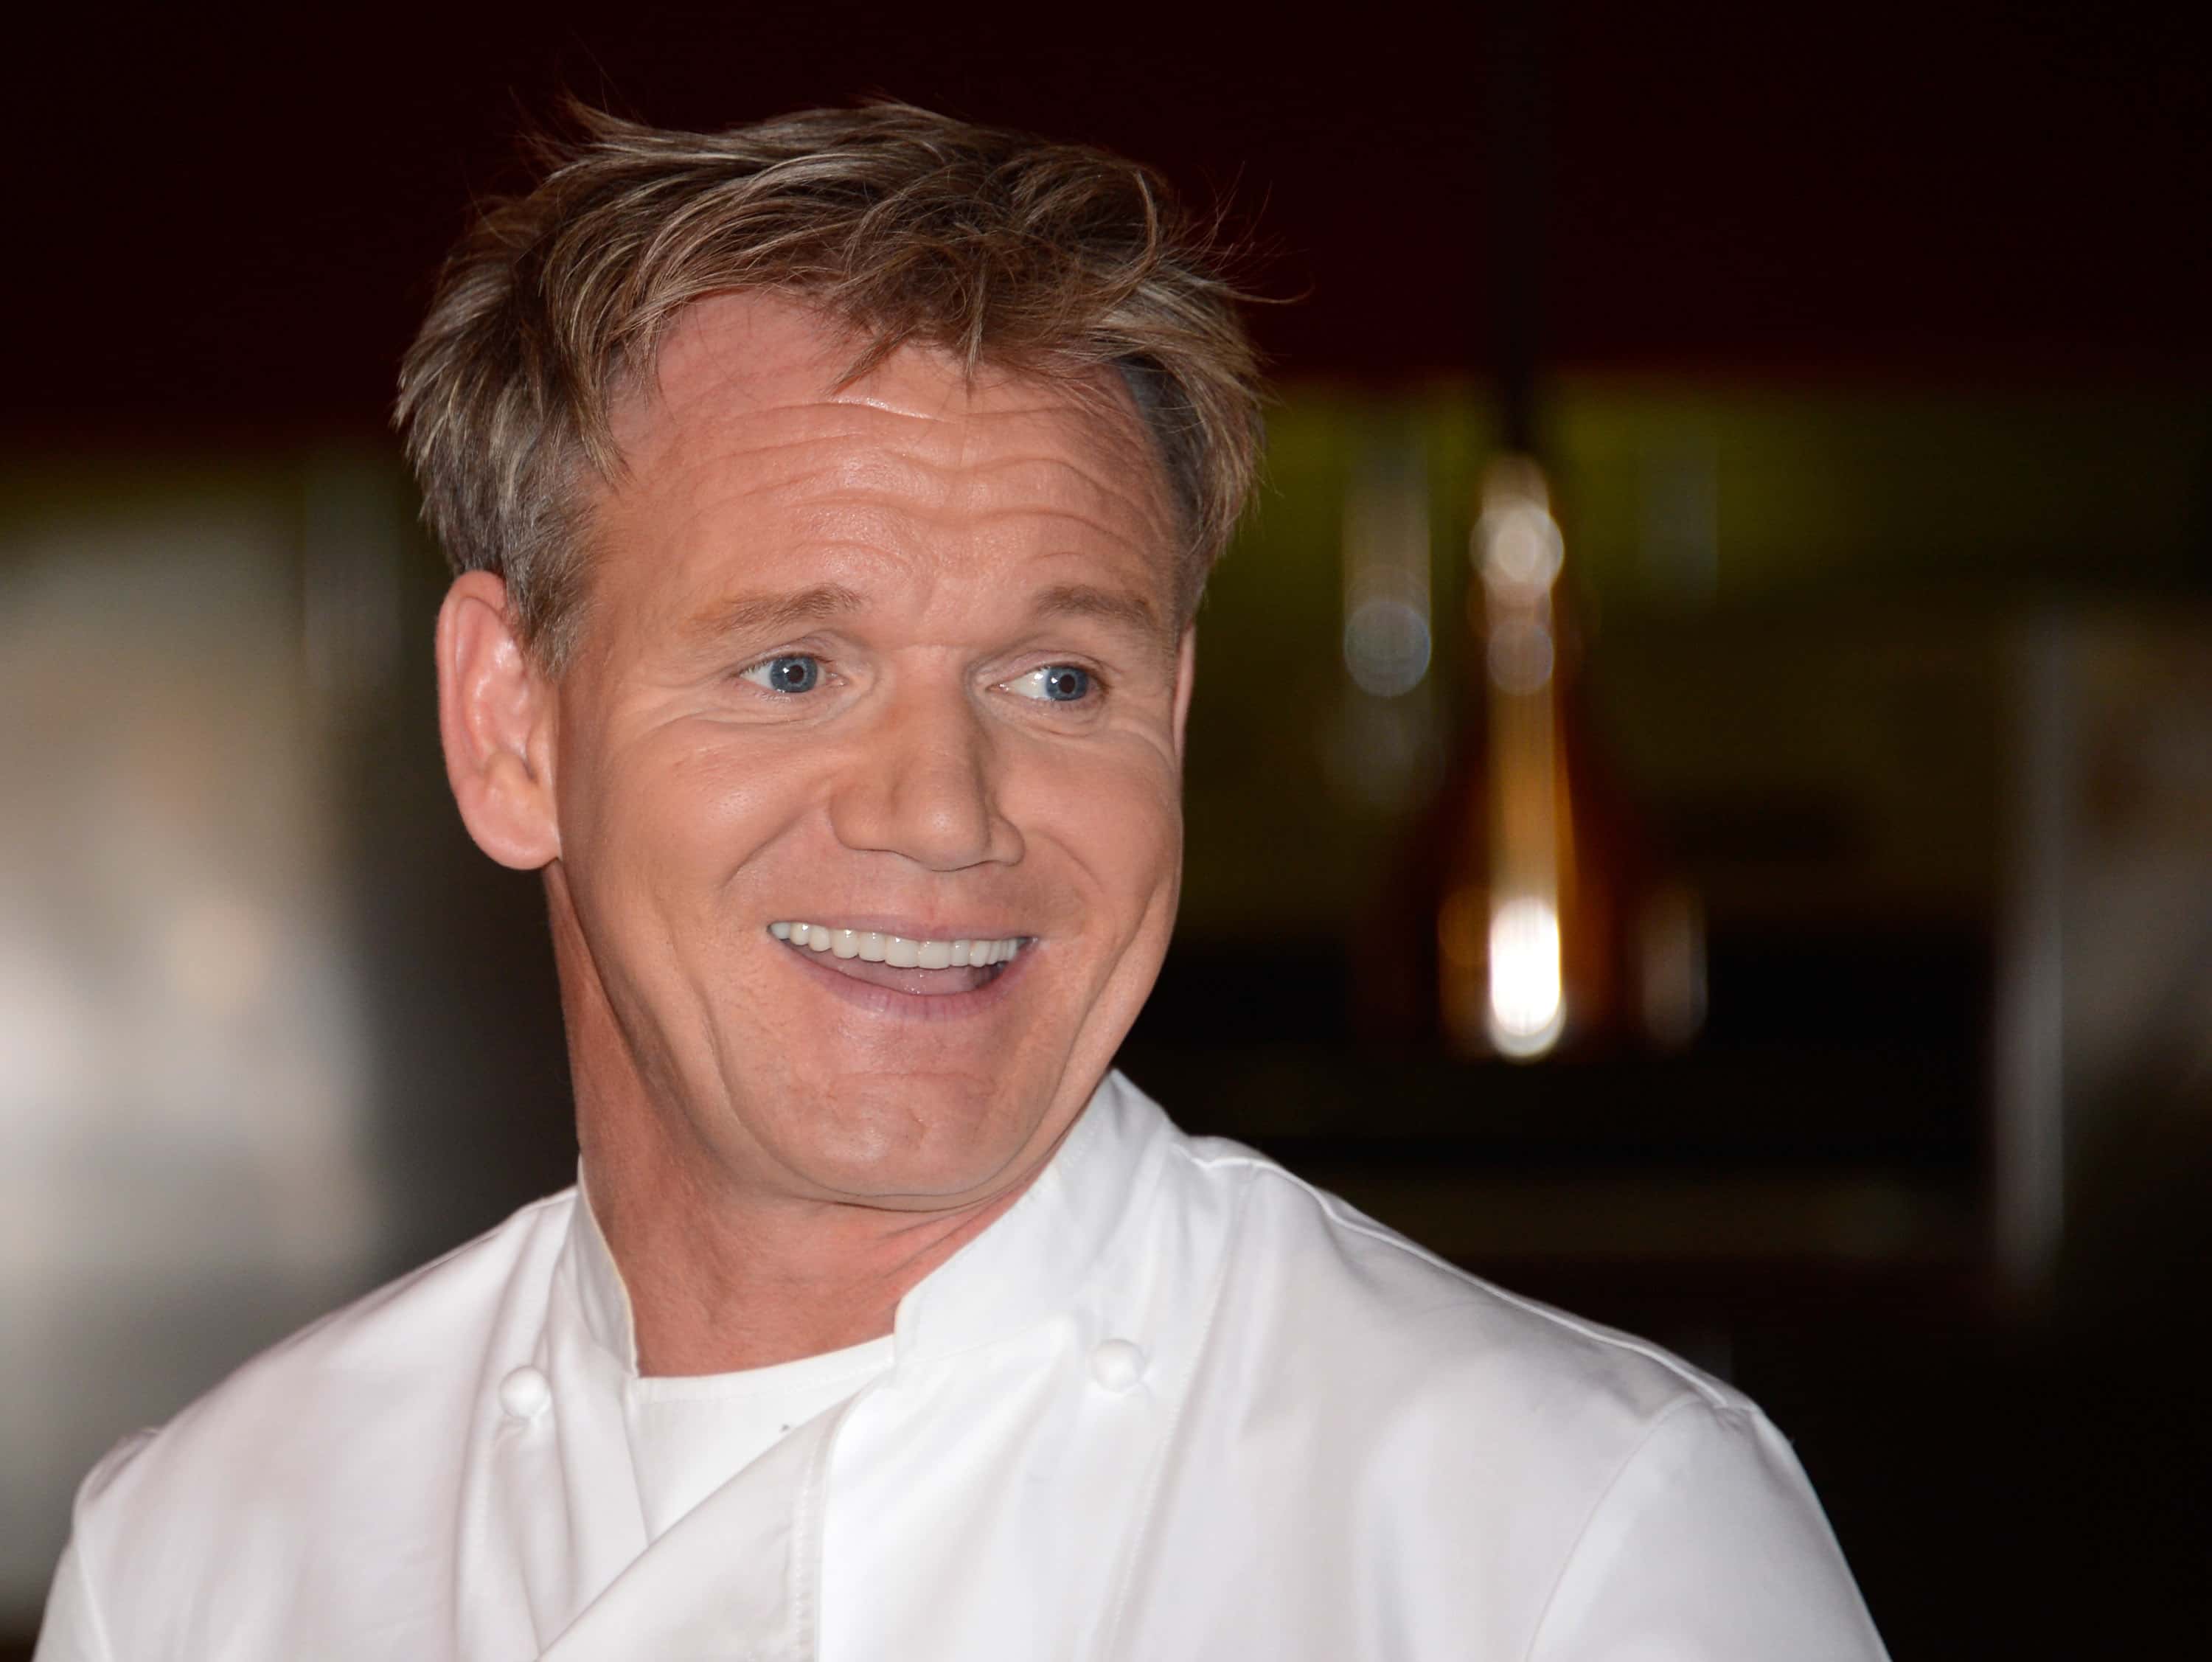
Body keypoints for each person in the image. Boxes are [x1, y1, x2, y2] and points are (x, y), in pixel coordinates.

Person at [34, 103, 1888, 1661]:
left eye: (1057, 678)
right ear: (512, 725)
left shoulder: (1569, 1545)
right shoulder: (211, 1554)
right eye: (794, 667)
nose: (946, 812)